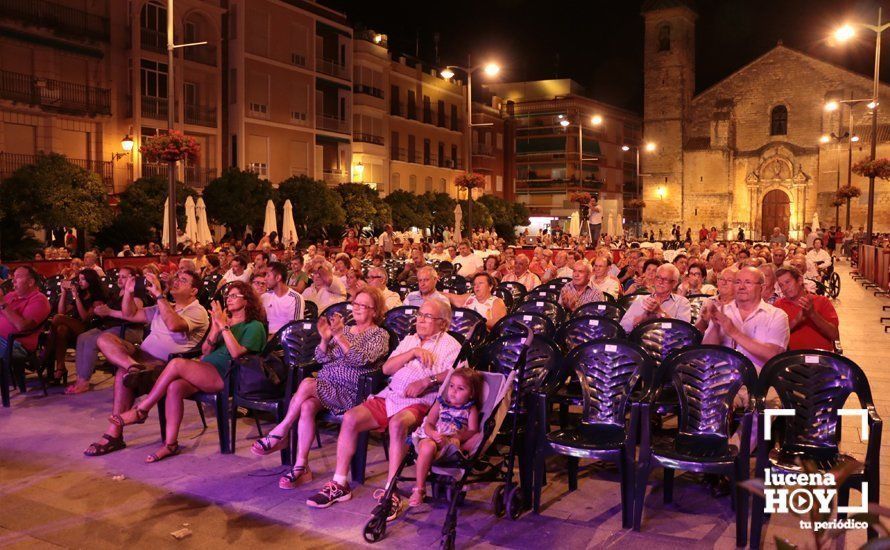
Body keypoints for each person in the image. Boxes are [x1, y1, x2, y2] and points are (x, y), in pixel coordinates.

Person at [305, 299, 461, 519]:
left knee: (398, 424)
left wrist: (428, 381)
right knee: (350, 418)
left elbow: (457, 373)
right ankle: (339, 484)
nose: (421, 319)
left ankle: (391, 490)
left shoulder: (451, 344)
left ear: (442, 323)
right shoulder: (409, 339)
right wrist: (412, 352)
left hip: (422, 402)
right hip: (390, 396)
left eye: (428, 316)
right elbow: (387, 369)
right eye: (420, 314)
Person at [107, 281, 266, 463]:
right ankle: (170, 444)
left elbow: (237, 353)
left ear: (247, 301)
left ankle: (142, 409)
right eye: (228, 295)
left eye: (234, 296)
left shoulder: (254, 326)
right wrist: (214, 331)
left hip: (227, 376)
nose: (228, 299)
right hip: (206, 368)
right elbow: (206, 351)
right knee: (175, 387)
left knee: (176, 364)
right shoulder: (224, 321)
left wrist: (224, 327)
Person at [251, 287, 391, 487]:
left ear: (375, 311)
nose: (357, 308)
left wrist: (340, 337)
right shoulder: (346, 330)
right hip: (326, 387)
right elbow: (321, 358)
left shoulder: (379, 335)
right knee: (307, 406)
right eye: (356, 303)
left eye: (364, 305)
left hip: (351, 392)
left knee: (308, 383)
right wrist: (325, 339)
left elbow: (360, 360)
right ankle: (301, 467)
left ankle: (281, 430)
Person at [83, 270, 209, 457]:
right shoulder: (165, 306)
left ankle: (114, 435)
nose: (176, 282)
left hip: (165, 366)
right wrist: (129, 292)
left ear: (194, 291)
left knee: (121, 374)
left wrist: (159, 295)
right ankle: (132, 367)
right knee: (104, 339)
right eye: (177, 278)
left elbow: (175, 325)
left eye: (183, 280)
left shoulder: (197, 311)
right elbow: (129, 314)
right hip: (141, 358)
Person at [409, 367, 483, 507]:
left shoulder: (470, 409)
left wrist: (458, 436)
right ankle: (419, 489)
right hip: (432, 436)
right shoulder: (440, 404)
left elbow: (473, 430)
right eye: (451, 386)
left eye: (460, 388)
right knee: (427, 446)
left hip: (450, 442)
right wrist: (432, 434)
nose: (453, 391)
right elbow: (429, 423)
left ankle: (446, 450)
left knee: (457, 442)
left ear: (471, 394)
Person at [67, 267, 145, 395]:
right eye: (119, 276)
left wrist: (110, 312)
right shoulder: (117, 293)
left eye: (124, 277)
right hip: (110, 326)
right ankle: (80, 378)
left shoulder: (136, 294)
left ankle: (84, 382)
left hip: (128, 329)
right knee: (82, 337)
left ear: (133, 279)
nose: (119, 279)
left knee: (92, 340)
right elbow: (109, 311)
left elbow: (133, 316)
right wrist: (101, 311)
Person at [701, 266, 789, 371]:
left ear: (762, 287)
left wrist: (734, 332)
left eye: (748, 282)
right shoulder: (722, 312)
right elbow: (706, 353)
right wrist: (715, 328)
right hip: (721, 379)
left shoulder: (777, 316)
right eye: (737, 282)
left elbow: (774, 355)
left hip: (759, 381)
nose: (741, 287)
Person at [45, 269, 107, 382]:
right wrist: (63, 293)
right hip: (76, 327)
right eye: (79, 279)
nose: (80, 282)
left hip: (90, 330)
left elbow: (85, 318)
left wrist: (76, 297)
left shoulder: (98, 297)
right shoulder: (82, 293)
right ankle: (60, 368)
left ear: (91, 280)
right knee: (61, 329)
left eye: (83, 279)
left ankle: (45, 355)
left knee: (57, 319)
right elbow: (62, 312)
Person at [774, 266, 839, 351]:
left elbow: (834, 335)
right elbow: (775, 337)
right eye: (781, 285)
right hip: (791, 359)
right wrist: (796, 320)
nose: (785, 288)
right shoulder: (778, 306)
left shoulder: (822, 301)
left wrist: (813, 314)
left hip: (821, 358)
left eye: (788, 282)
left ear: (800, 280)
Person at [0, 266, 51, 365]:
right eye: (13, 277)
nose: (13, 281)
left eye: (18, 277)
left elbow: (22, 326)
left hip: (15, 345)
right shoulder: (11, 295)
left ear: (30, 282)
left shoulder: (39, 300)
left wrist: (2, 302)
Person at [620, 263, 691, 332]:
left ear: (674, 283)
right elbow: (623, 328)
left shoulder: (682, 302)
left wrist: (660, 312)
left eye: (665, 279)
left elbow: (684, 331)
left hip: (668, 342)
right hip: (642, 341)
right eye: (658, 277)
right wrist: (643, 318)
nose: (660, 282)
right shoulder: (641, 299)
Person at [262, 262, 305, 335]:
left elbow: (295, 327)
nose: (265, 279)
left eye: (268, 275)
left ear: (278, 278)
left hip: (284, 339)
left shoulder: (295, 298)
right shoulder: (265, 296)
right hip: (264, 336)